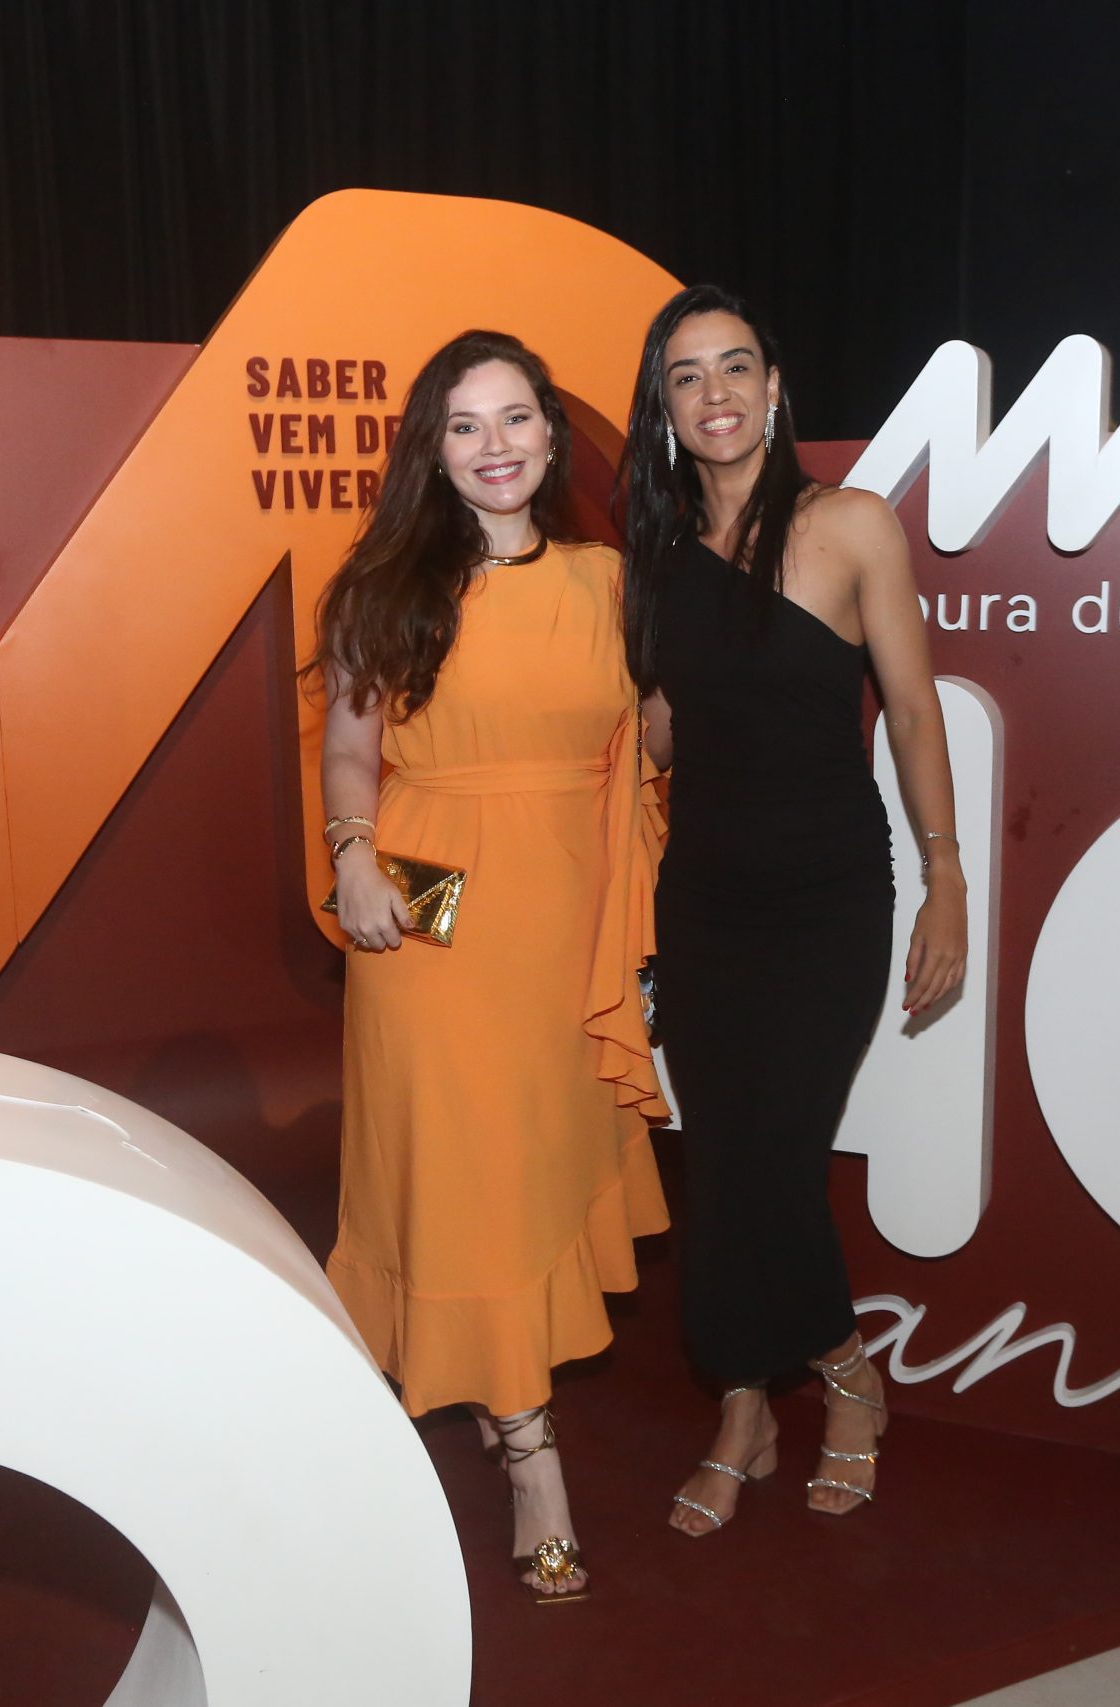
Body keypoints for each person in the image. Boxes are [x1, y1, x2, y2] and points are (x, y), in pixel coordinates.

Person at [308, 330, 667, 1601]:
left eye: (515, 418)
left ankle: (485, 1387)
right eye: (465, 425)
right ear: (432, 448)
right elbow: (349, 750)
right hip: (431, 918)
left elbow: (652, 743)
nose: (495, 445)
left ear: (551, 438)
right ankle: (530, 1457)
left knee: (527, 1174)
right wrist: (354, 855)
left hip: (565, 929)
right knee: (464, 1182)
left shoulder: (610, 582)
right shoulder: (382, 588)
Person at [618, 286, 967, 1534]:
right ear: (663, 409)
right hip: (704, 901)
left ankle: (839, 1381)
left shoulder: (851, 524)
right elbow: (662, 729)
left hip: (828, 896)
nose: (713, 394)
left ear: (774, 387)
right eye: (686, 377)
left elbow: (912, 712)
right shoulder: (654, 560)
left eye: (735, 367)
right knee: (720, 1164)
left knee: (772, 1158)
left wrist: (947, 877)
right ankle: (751, 1410)